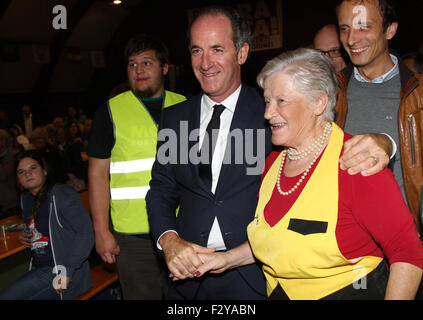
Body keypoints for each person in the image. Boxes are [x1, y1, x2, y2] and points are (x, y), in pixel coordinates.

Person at [193, 48, 423, 300]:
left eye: (281, 100)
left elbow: (408, 254)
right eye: (267, 101)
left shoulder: (356, 164)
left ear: (318, 102)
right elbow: (278, 241)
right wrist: (225, 260)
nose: (268, 113)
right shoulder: (273, 163)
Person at [146, 6, 273, 300]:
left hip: (251, 275)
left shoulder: (270, 114)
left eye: (217, 49)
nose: (205, 63)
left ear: (241, 53)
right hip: (187, 279)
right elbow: (161, 189)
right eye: (196, 51)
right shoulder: (175, 118)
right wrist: (169, 240)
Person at [87, 34, 186, 300]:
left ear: (164, 68)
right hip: (132, 236)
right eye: (132, 65)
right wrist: (101, 231)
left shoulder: (187, 106)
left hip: (182, 228)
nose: (139, 70)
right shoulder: (109, 112)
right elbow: (97, 175)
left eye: (147, 63)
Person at [335, 0, 423, 232]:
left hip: (406, 245)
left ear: (390, 29)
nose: (352, 39)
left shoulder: (419, 94)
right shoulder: (330, 93)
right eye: (345, 28)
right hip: (344, 246)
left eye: (364, 26)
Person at [0, 151, 94, 300]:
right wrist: (25, 232)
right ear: (18, 179)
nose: (27, 174)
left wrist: (67, 272)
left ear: (44, 171)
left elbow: (86, 232)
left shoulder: (62, 194)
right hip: (40, 269)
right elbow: (44, 224)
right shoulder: (26, 199)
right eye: (21, 172)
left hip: (62, 271)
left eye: (33, 168)